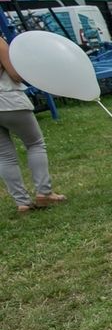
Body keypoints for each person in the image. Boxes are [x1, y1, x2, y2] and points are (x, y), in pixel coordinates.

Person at [0, 36, 65, 213]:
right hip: (8, 99)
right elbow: (15, 74)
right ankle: (44, 192)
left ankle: (21, 202)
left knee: (4, 155)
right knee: (35, 143)